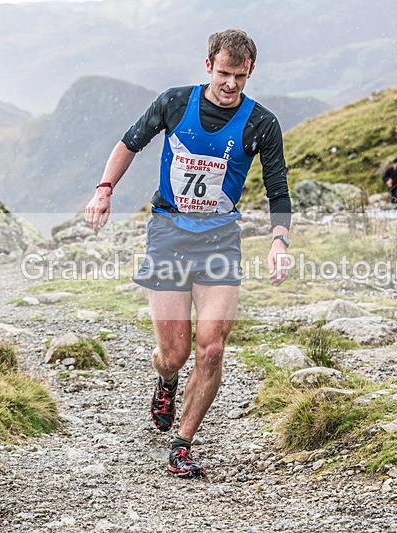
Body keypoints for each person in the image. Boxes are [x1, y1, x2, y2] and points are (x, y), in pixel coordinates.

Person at [84, 28, 292, 478]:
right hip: (169, 235)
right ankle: (166, 380)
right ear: (208, 67)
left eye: (240, 75)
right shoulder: (175, 103)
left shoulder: (262, 124)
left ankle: (182, 443)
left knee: (212, 348)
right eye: (223, 73)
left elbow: (278, 190)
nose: (231, 84)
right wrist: (104, 190)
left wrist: (279, 240)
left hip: (220, 241)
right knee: (174, 353)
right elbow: (129, 143)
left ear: (251, 71)